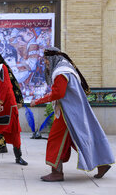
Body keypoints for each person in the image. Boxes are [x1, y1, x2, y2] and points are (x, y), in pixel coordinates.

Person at [30, 47, 114, 181]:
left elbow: (58, 93)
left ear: (52, 59)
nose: (45, 62)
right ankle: (102, 164)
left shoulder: (61, 72)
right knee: (77, 140)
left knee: (55, 139)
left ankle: (56, 172)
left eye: (46, 59)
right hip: (72, 111)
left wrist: (39, 101)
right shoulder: (66, 68)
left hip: (66, 113)